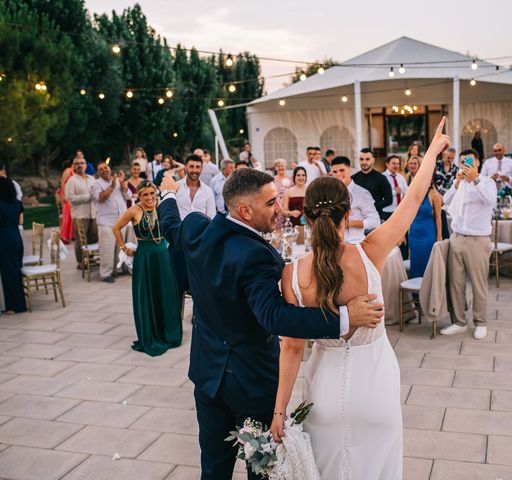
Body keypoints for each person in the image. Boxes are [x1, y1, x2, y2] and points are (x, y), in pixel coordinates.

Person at [156, 168, 384, 480]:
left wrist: (167, 193)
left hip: (206, 376)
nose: (279, 208)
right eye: (271, 203)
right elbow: (275, 316)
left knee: (213, 468)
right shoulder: (256, 255)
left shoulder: (195, 228)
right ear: (245, 211)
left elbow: (170, 225)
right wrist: (345, 317)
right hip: (251, 384)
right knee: (260, 470)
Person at [270, 117, 450, 480]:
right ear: (348, 213)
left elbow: (291, 348)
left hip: (323, 394)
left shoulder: (292, 274)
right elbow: (414, 197)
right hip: (376, 387)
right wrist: (432, 149)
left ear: (305, 215)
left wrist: (279, 412)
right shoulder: (371, 251)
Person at [112, 181, 182, 355]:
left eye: (152, 193)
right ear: (139, 196)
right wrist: (123, 247)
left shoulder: (162, 207)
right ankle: (151, 334)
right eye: (146, 195)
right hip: (145, 256)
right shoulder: (134, 211)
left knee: (166, 293)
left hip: (163, 256)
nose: (150, 197)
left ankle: (170, 333)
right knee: (148, 294)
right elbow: (116, 228)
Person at [440, 148, 497, 340]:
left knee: (478, 284)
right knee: (455, 283)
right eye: (463, 161)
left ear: (478, 163)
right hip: (457, 237)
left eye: (469, 161)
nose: (465, 164)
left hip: (477, 240)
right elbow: (444, 201)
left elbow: (490, 201)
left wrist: (476, 180)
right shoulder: (460, 184)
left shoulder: (487, 182)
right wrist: (456, 183)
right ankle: (459, 321)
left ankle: (480, 322)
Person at [90, 162, 132, 283]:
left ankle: (117, 270)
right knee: (107, 249)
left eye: (105, 167)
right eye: (100, 169)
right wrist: (112, 186)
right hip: (106, 222)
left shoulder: (117, 180)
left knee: (120, 247)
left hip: (120, 220)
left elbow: (128, 196)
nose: (104, 170)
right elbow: (100, 198)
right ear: (98, 172)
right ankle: (105, 274)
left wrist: (123, 184)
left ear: (109, 169)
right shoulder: (96, 184)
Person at [330, 156, 380, 243]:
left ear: (349, 170)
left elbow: (375, 221)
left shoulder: (362, 193)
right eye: (335, 172)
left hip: (354, 244)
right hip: (334, 244)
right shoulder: (330, 193)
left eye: (342, 170)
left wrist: (348, 223)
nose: (338, 174)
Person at [65, 155, 98, 269]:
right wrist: (88, 197)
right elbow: (69, 198)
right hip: (80, 215)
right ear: (74, 166)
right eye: (77, 163)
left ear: (85, 165)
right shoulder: (71, 181)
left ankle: (91, 258)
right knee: (81, 239)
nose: (80, 165)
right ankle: (80, 262)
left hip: (93, 213)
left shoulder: (92, 178)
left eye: (82, 163)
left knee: (93, 237)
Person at [0, 177, 27, 314]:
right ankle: (17, 303)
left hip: (4, 239)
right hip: (16, 237)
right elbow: (20, 220)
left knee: (9, 273)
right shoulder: (16, 203)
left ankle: (16, 306)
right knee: (15, 271)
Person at [408, 176, 443, 278]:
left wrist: (439, 236)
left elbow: (438, 217)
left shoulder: (434, 194)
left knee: (427, 263)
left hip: (428, 235)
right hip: (414, 235)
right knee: (415, 262)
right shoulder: (413, 194)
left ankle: (428, 291)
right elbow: (407, 215)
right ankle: (415, 293)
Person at [352, 147, 393, 218]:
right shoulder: (353, 178)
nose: (364, 162)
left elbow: (389, 200)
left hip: (376, 217)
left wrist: (371, 206)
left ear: (373, 160)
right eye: (361, 159)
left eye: (367, 159)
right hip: (357, 218)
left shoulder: (381, 178)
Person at [174, 155, 215, 220]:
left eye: (198, 167)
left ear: (202, 169)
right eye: (191, 166)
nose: (194, 170)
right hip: (179, 229)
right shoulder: (175, 187)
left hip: (201, 229)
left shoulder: (208, 191)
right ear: (185, 168)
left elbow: (211, 216)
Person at [381, 155, 408, 221]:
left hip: (400, 212)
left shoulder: (401, 177)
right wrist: (394, 192)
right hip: (387, 212)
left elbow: (407, 192)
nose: (396, 166)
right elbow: (379, 195)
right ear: (387, 164)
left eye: (397, 164)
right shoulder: (381, 177)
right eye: (393, 163)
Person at [57, 159, 75, 243]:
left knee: (71, 215)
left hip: (70, 195)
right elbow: (62, 182)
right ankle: (63, 236)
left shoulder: (73, 171)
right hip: (66, 194)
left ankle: (71, 235)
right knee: (67, 215)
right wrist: (64, 195)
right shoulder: (68, 170)